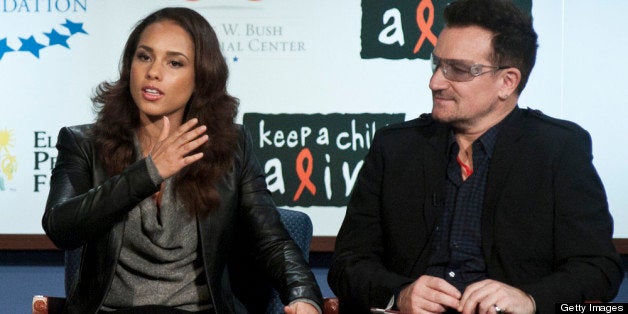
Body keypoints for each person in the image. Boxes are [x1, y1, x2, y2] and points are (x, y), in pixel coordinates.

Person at [328, 0, 623, 313]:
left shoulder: (558, 149)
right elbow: (348, 263)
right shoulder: (395, 147)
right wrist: (399, 294)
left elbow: (598, 268)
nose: (436, 82)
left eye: (458, 70)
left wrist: (529, 299)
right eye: (437, 65)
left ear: (507, 82)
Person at [42, 7, 322, 314]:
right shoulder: (84, 144)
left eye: (174, 62)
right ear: (129, 65)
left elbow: (271, 240)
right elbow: (61, 227)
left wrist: (304, 296)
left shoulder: (231, 147)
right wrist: (148, 173)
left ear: (201, 78)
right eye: (144, 57)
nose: (153, 72)